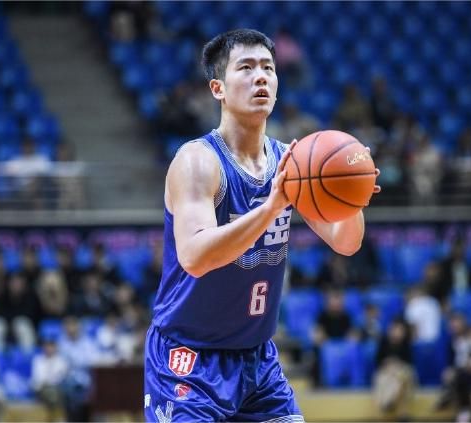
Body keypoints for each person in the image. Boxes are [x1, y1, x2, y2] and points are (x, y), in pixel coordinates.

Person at [144, 29, 380, 422]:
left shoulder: (295, 163)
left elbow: (346, 242)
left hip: (257, 360)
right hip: (188, 359)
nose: (261, 77)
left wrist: (351, 198)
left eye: (268, 68)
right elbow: (196, 257)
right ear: (218, 88)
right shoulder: (197, 162)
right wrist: (271, 208)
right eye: (247, 67)